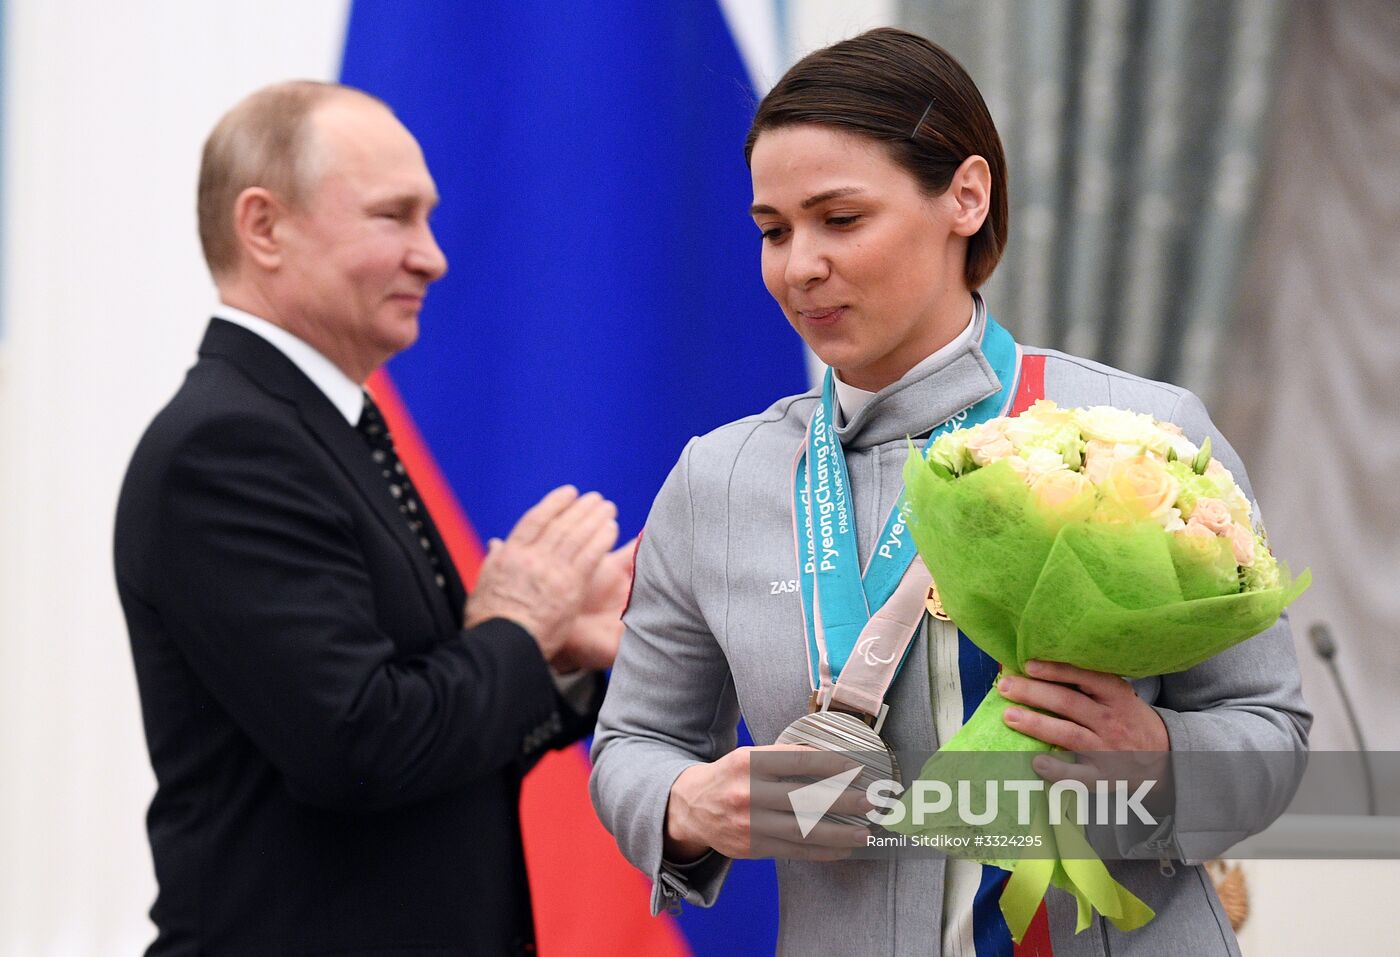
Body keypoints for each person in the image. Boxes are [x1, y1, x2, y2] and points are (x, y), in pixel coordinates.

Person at [589, 27, 1310, 955]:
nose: (798, 265)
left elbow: (1273, 732)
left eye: (840, 220)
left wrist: (1160, 760)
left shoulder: (1141, 433)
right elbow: (633, 743)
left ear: (966, 195)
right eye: (773, 230)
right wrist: (688, 802)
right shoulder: (719, 479)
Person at [115, 81, 627, 956]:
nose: (433, 257)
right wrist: (514, 626)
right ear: (263, 227)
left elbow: (431, 738)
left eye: (427, 219)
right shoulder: (229, 447)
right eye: (393, 217)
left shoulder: (322, 425)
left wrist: (558, 660)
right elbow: (361, 746)